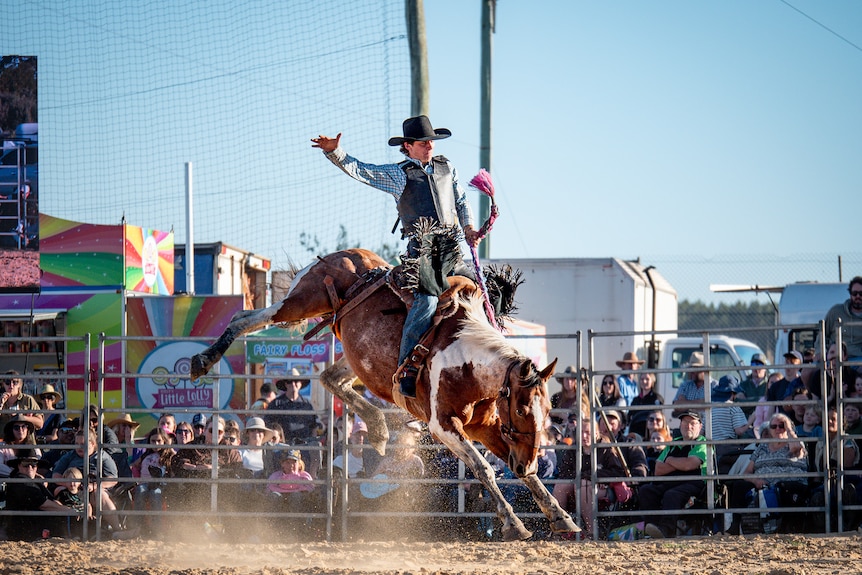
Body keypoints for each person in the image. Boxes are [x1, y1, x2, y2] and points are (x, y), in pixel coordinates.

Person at [312, 115, 481, 398]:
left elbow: (461, 201)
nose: (429, 145)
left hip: (453, 252)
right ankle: (408, 367)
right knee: (426, 302)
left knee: (490, 292)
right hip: (423, 255)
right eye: (423, 142)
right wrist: (335, 152)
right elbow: (362, 171)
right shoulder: (399, 174)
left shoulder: (446, 167)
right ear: (408, 146)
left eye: (431, 141)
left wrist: (469, 229)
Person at [727, 413, 808, 535]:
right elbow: (746, 472)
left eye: (781, 425)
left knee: (785, 487)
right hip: (764, 485)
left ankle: (786, 528)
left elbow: (797, 451)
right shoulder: (762, 447)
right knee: (739, 485)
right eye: (773, 426)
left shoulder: (794, 442)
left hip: (789, 484)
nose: (778, 429)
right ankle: (734, 526)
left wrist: (790, 430)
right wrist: (756, 480)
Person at [640, 410, 708, 539]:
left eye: (692, 423)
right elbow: (658, 469)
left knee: (672, 495)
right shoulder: (673, 443)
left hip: (694, 484)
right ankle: (651, 527)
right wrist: (681, 464)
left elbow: (690, 464)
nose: (688, 426)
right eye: (685, 422)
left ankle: (666, 530)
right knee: (646, 490)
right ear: (680, 424)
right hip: (670, 482)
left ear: (700, 426)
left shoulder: (702, 443)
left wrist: (670, 460)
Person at [4, 448, 74, 540]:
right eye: (25, 464)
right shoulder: (20, 482)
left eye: (33, 464)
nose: (30, 468)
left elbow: (51, 501)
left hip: (35, 525)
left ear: (37, 467)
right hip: (25, 530)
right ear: (18, 466)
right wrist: (68, 511)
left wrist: (65, 509)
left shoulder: (35, 482)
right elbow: (43, 504)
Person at [132, 427, 173, 536]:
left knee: (155, 494)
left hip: (159, 485)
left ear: (164, 441)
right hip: (144, 483)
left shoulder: (167, 455)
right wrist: (136, 477)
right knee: (140, 490)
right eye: (153, 441)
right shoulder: (145, 455)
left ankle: (157, 528)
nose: (155, 443)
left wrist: (169, 445)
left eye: (159, 441)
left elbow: (175, 458)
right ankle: (139, 525)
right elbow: (134, 465)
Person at [816, 276, 862, 360]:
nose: (858, 296)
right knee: (806, 372)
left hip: (858, 359)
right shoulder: (836, 311)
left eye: (861, 293)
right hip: (835, 357)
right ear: (850, 294)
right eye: (855, 293)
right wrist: (820, 353)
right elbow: (822, 334)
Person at [708, 375, 750, 465]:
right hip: (728, 450)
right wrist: (750, 420)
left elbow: (702, 431)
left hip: (710, 449)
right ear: (733, 393)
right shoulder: (733, 407)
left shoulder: (709, 408)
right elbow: (739, 431)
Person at [0, 413, 42, 477]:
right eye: (16, 427)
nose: (20, 430)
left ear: (27, 429)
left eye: (24, 426)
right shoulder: (2, 447)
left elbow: (38, 466)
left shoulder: (34, 449)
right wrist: (16, 474)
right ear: (11, 430)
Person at [628, 372, 664, 439]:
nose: (644, 381)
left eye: (647, 379)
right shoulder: (635, 400)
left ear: (652, 381)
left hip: (651, 433)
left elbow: (658, 416)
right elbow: (630, 416)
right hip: (636, 432)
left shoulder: (656, 398)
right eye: (642, 379)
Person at [736, 353, 770, 418]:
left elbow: (770, 404)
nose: (756, 368)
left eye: (759, 364)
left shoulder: (769, 384)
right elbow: (738, 404)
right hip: (746, 421)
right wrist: (761, 400)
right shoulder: (743, 384)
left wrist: (747, 401)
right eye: (754, 364)